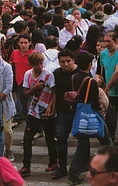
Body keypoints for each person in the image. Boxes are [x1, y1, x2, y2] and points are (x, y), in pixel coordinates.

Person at [67, 51, 113, 185]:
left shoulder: (74, 77)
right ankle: (116, 167)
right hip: (92, 114)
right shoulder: (91, 81)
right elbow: (94, 101)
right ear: (89, 64)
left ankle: (72, 176)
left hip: (80, 114)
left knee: (81, 147)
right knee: (107, 141)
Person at [19, 52, 57, 177]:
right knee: (27, 138)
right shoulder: (28, 75)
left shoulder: (48, 75)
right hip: (33, 111)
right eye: (37, 64)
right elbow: (26, 94)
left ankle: (53, 162)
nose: (40, 66)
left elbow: (54, 93)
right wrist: (34, 88)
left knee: (49, 137)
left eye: (41, 63)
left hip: (46, 110)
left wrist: (51, 108)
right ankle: (26, 166)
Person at [51, 49, 80, 179]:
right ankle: (62, 166)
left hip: (78, 111)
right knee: (61, 137)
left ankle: (80, 165)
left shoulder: (80, 72)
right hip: (62, 110)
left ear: (73, 60)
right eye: (62, 62)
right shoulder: (57, 73)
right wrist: (52, 107)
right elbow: (54, 91)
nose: (66, 64)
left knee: (82, 139)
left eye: (68, 61)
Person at [100, 30, 118, 142]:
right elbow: (102, 70)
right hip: (109, 90)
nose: (106, 44)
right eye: (105, 41)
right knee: (109, 115)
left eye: (109, 41)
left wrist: (107, 87)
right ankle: (110, 136)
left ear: (116, 41)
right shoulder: (103, 54)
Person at [0, 56, 16, 160]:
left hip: (4, 102)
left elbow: (8, 87)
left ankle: (9, 149)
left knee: (6, 130)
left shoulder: (6, 67)